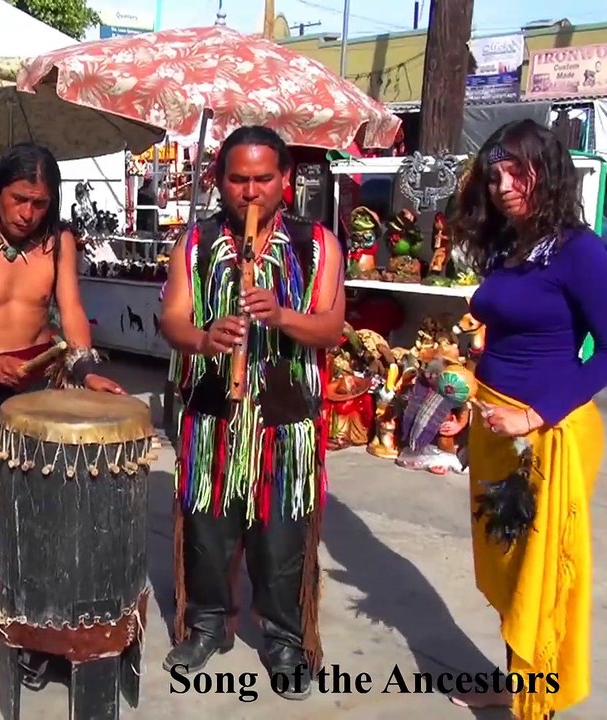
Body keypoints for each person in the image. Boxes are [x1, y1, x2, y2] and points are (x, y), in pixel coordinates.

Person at [449, 120, 607, 720]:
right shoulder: (512, 245)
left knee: (539, 580)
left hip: (549, 437)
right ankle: (516, 686)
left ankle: (539, 707)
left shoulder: (581, 251)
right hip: (497, 429)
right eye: (495, 173)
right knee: (508, 571)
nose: (503, 185)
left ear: (547, 172)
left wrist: (532, 415)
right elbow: (505, 325)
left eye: (517, 171)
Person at [0, 142, 126, 680]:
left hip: (37, 397)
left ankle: (36, 623)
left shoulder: (59, 244)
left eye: (40, 202)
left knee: (37, 513)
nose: (28, 213)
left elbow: (72, 311)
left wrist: (84, 370)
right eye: (19, 199)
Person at [158, 126, 344, 700]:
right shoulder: (195, 242)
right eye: (238, 179)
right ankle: (208, 624)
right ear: (220, 181)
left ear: (285, 180)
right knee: (208, 535)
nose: (250, 191)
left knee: (281, 538)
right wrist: (204, 337)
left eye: (264, 179)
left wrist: (282, 316)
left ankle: (285, 637)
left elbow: (332, 328)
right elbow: (172, 320)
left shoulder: (318, 244)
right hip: (213, 417)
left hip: (284, 423)